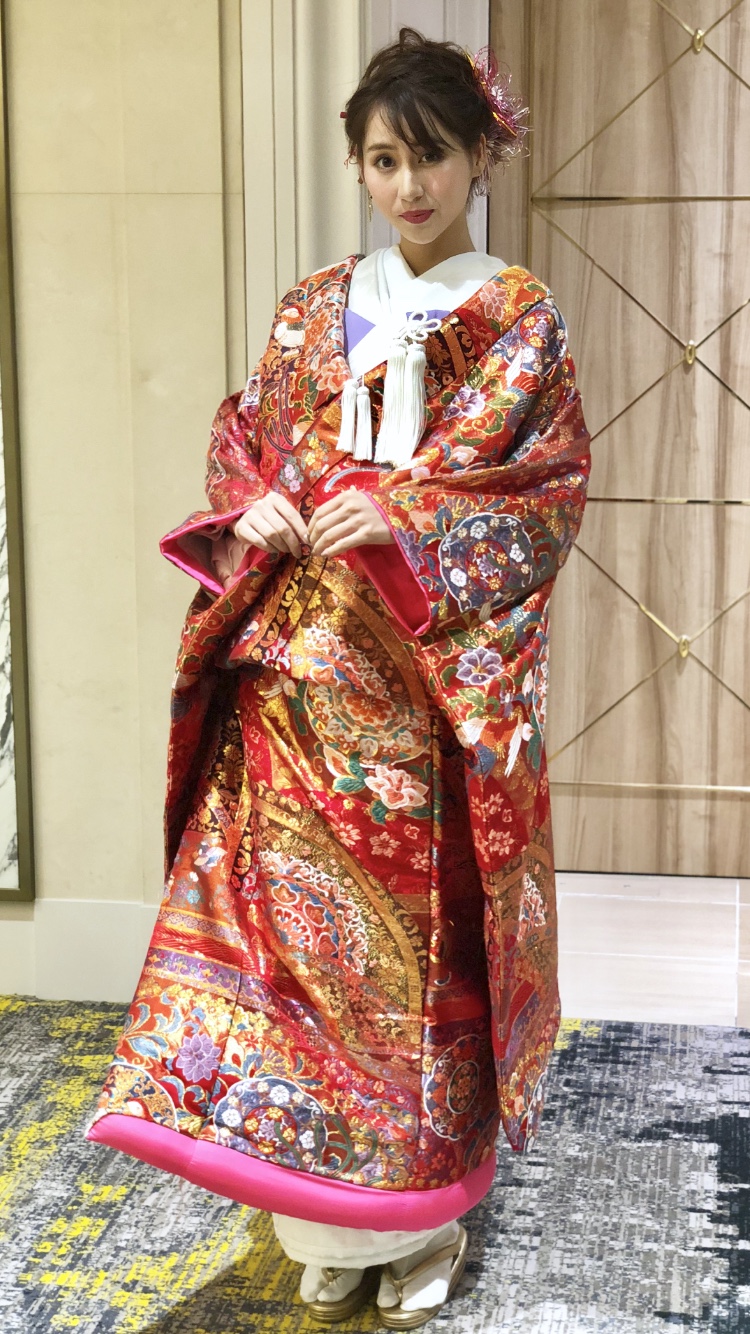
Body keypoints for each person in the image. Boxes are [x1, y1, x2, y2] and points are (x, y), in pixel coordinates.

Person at [85, 26, 590, 1329]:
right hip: (291, 681)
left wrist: (410, 521)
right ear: (357, 166)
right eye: (382, 159)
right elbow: (247, 438)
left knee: (405, 971)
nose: (408, 185)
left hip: (414, 697)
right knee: (288, 959)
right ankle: (316, 1216)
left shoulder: (517, 315)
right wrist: (250, 507)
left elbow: (538, 490)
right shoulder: (312, 304)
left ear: (481, 156)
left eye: (432, 156)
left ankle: (416, 1222)